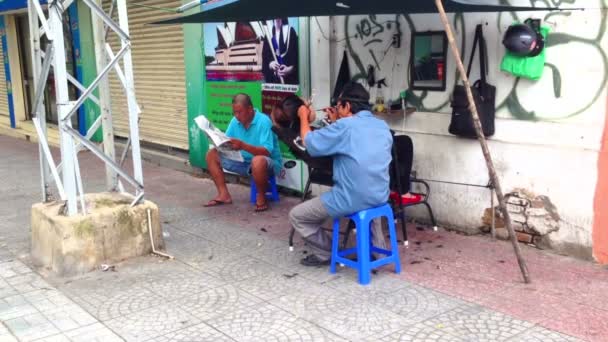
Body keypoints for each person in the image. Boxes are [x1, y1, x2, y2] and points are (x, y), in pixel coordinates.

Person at [288, 82, 393, 266]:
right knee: (365, 192)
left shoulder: (345, 127)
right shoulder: (382, 126)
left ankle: (327, 253)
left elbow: (309, 142)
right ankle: (378, 252)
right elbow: (359, 144)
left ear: (347, 106)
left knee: (298, 215)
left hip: (351, 198)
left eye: (338, 106)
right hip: (380, 194)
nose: (336, 110)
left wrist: (303, 116)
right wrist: (338, 121)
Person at [204, 93, 282, 212]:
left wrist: (243, 146)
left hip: (267, 164)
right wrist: (216, 139)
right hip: (243, 162)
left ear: (250, 109)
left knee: (258, 160)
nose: (236, 116)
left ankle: (261, 196)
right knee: (211, 154)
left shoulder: (264, 121)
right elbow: (228, 141)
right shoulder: (235, 121)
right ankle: (224, 195)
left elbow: (266, 152)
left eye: (239, 112)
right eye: (234, 112)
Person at [262, 18, 299, 85]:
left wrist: (290, 69)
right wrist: (271, 64)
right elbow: (265, 56)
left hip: (289, 81)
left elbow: (297, 56)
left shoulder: (290, 31)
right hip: (273, 81)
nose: (277, 18)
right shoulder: (268, 33)